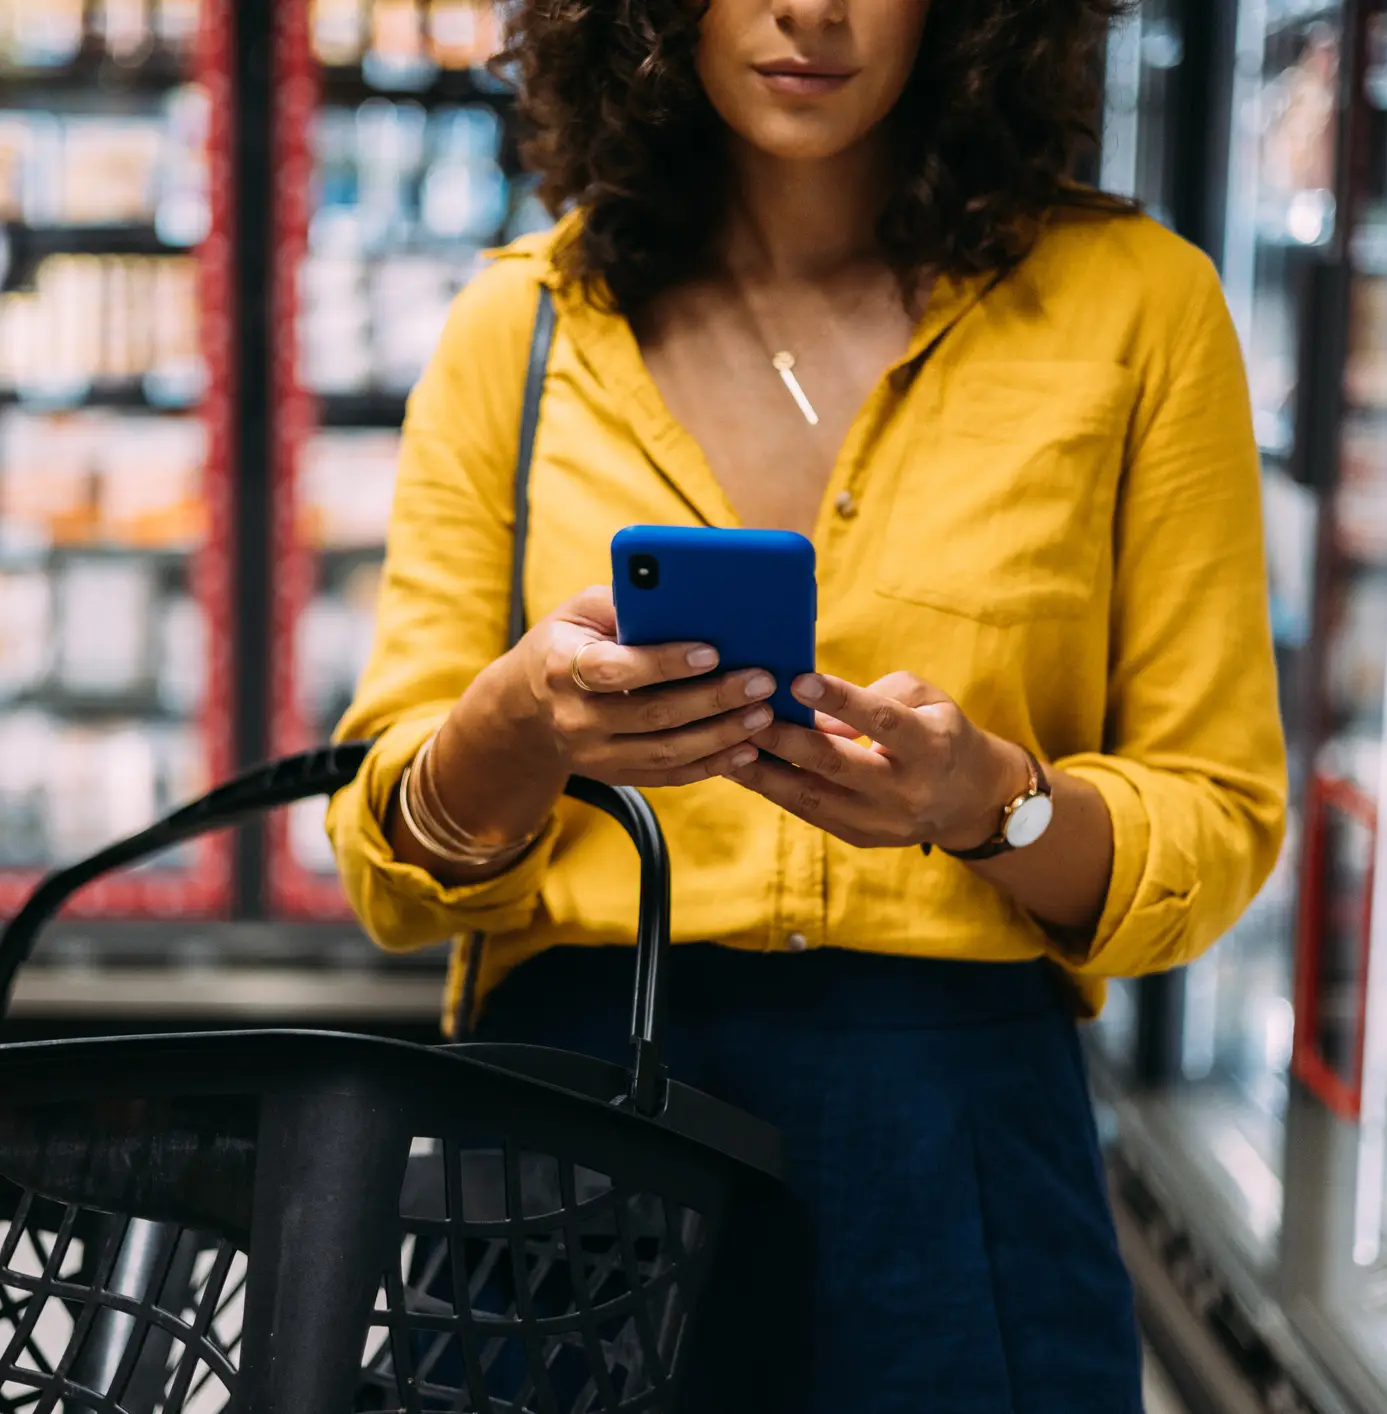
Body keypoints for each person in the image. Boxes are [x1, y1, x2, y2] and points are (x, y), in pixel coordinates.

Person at [326, 0, 1287, 1408]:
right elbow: (387, 861)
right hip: (564, 1126)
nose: (811, 10)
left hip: (954, 1143)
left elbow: (1215, 816)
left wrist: (990, 803)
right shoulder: (519, 328)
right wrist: (519, 727)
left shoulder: (1136, 310)